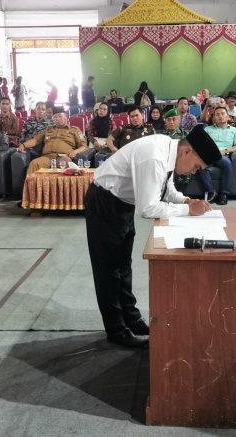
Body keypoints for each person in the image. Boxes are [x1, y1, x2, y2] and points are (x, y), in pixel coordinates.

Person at [85, 124, 220, 347]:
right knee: (108, 270)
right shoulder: (155, 157)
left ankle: (131, 319)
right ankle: (116, 331)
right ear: (187, 151)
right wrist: (187, 210)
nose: (194, 172)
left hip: (122, 203)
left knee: (123, 267)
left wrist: (187, 201)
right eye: (196, 167)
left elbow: (166, 188)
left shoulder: (170, 150)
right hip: (105, 202)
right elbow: (148, 208)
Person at [18, 109, 87, 174]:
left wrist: (75, 152)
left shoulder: (74, 130)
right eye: (55, 117)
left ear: (66, 117)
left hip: (63, 157)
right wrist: (24, 145)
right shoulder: (48, 129)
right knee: (34, 163)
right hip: (47, 157)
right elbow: (35, 140)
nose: (57, 119)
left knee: (67, 164)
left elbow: (83, 146)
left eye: (60, 116)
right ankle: (30, 183)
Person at [200, 106, 236, 205]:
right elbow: (202, 144)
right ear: (214, 117)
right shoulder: (208, 129)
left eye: (222, 114)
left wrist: (226, 150)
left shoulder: (234, 130)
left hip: (223, 155)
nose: (220, 116)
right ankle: (211, 192)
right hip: (209, 154)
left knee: (227, 163)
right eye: (217, 114)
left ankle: (224, 193)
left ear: (228, 116)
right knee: (201, 165)